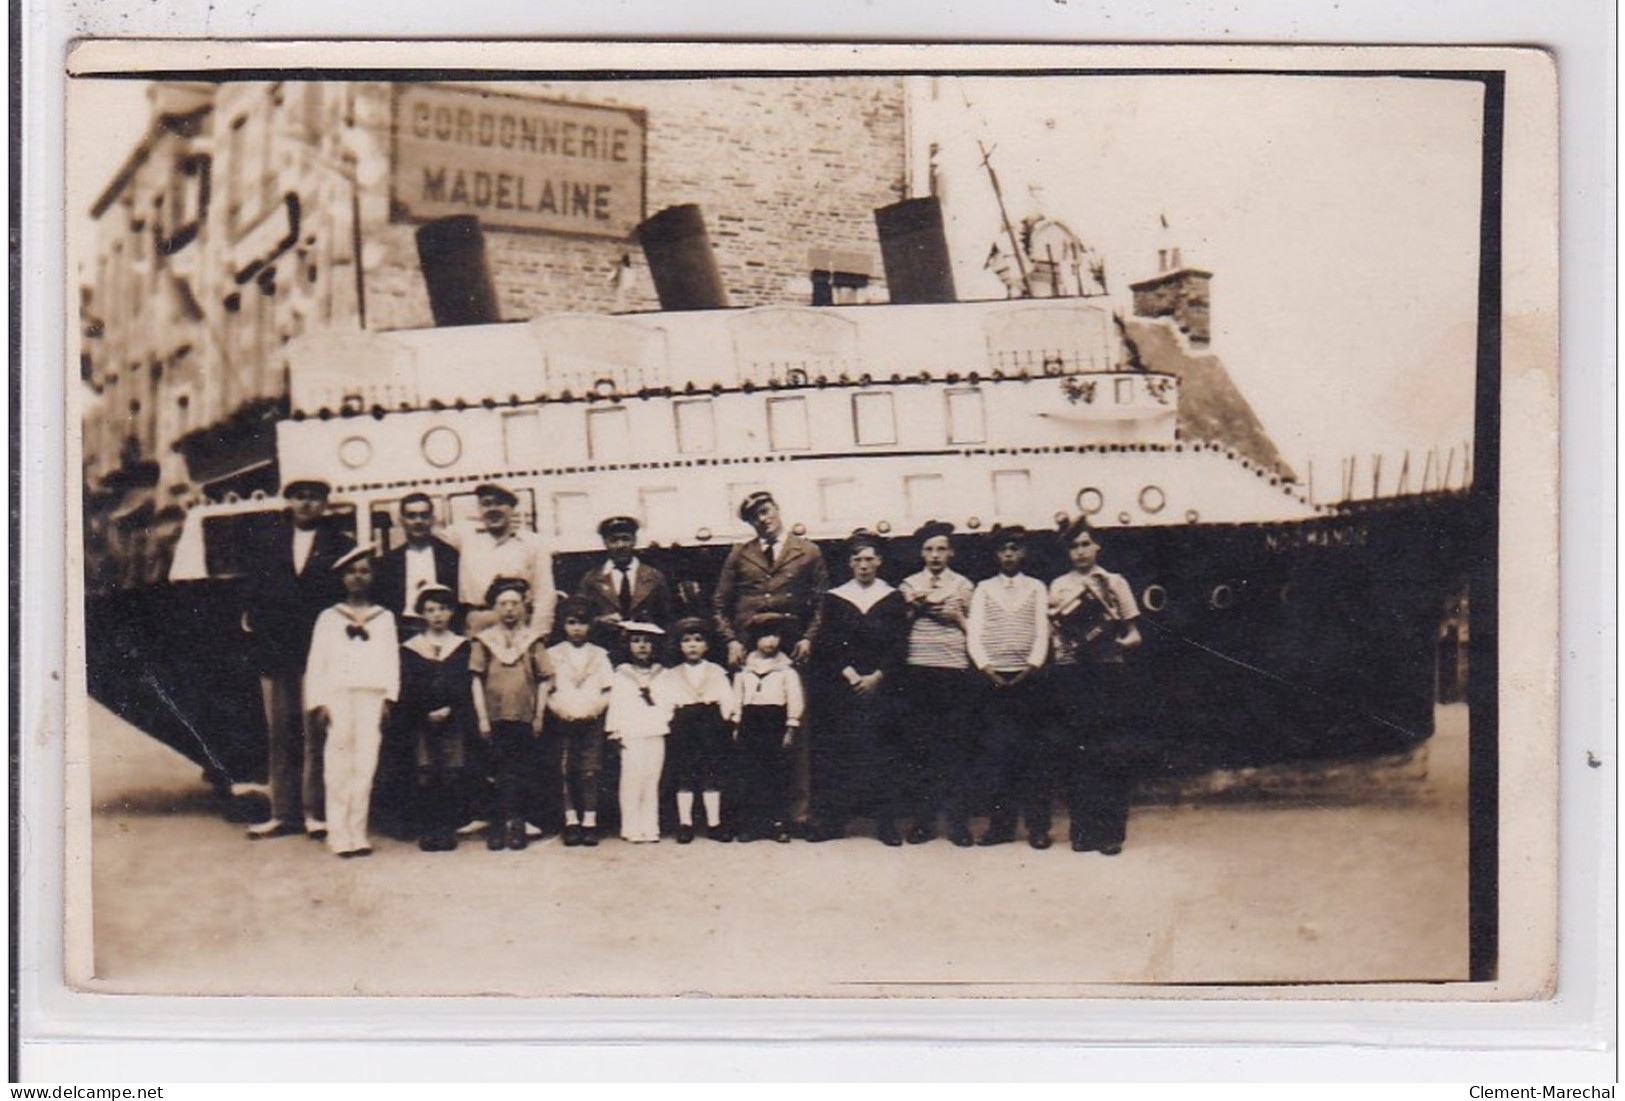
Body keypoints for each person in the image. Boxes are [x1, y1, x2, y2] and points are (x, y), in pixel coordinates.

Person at [241, 476, 355, 841]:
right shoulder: (266, 542)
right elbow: (253, 593)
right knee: (279, 733)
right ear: (288, 501)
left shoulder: (340, 545)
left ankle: (315, 813)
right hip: (276, 652)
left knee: (315, 733)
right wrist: (259, 627)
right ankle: (282, 813)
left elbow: (345, 600)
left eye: (315, 498)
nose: (307, 504)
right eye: (300, 497)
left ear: (325, 504)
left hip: (319, 653)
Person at [711, 491, 828, 836]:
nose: (763, 519)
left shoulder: (807, 551)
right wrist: (731, 640)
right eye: (754, 517)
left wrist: (808, 638)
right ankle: (751, 814)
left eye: (766, 511)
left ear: (777, 509)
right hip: (750, 651)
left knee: (795, 732)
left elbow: (822, 603)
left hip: (791, 649)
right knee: (747, 737)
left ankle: (798, 814)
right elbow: (720, 603)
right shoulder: (739, 554)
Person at [807, 534, 911, 845]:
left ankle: (887, 824)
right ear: (849, 563)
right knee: (842, 753)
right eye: (857, 560)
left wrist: (878, 676)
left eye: (869, 559)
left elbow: (899, 643)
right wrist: (850, 674)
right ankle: (834, 822)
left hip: (882, 686)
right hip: (845, 687)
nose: (864, 566)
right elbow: (827, 642)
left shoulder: (892, 597)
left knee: (884, 753)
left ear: (879, 561)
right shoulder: (837, 598)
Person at [1048, 519, 1143, 855]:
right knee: (1078, 751)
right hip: (1073, 673)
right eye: (1074, 546)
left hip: (1107, 672)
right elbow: (1054, 634)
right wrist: (1070, 644)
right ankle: (1083, 831)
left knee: (1111, 752)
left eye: (1086, 544)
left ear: (1097, 547)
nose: (1080, 552)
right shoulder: (1058, 586)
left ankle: (1111, 833)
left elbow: (1134, 634)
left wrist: (1110, 642)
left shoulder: (1115, 582)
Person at [302, 546, 399, 858]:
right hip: (338, 695)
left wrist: (388, 697)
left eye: (364, 571)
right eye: (351, 572)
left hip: (371, 694)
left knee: (365, 762)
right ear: (342, 578)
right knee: (337, 761)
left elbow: (391, 660)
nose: (358, 577)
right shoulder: (328, 618)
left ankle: (358, 832)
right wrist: (319, 701)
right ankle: (338, 831)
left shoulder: (384, 618)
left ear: (372, 577)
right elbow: (317, 662)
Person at [965, 525, 1052, 848]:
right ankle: (1001, 827)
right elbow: (974, 633)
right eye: (1003, 549)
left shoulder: (1037, 588)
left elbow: (1042, 631)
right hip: (993, 682)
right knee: (997, 756)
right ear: (995, 555)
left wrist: (1031, 667)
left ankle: (1038, 827)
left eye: (1014, 549)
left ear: (1023, 553)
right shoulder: (984, 589)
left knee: (1033, 756)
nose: (1009, 555)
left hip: (1028, 680)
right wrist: (987, 668)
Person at [897, 521, 978, 846]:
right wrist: (914, 607)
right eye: (929, 549)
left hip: (953, 669)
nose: (935, 555)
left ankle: (958, 823)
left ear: (951, 552)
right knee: (922, 749)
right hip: (919, 669)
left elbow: (977, 630)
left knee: (955, 748)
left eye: (941, 549)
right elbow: (898, 626)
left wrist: (954, 618)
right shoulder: (908, 584)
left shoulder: (964, 585)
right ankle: (924, 821)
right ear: (921, 553)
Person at [469, 577, 554, 852]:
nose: (509, 609)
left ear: (524, 606)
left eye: (515, 603)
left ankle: (516, 824)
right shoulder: (484, 641)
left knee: (520, 770)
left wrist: (539, 714)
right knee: (494, 771)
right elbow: (476, 679)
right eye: (503, 603)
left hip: (523, 716)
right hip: (494, 717)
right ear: (494, 607)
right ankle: (496, 824)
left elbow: (544, 678)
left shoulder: (532, 640)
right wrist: (482, 717)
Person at [392, 585, 475, 852]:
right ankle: (428, 828)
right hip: (421, 719)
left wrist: (450, 708)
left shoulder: (461, 646)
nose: (437, 615)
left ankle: (447, 828)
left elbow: (465, 684)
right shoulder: (411, 649)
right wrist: (423, 711)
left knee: (451, 771)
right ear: (421, 615)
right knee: (425, 771)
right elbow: (408, 686)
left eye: (442, 609)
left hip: (452, 717)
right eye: (430, 610)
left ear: (451, 612)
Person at [729, 613, 805, 844]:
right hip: (751, 723)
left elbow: (795, 700)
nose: (770, 642)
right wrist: (736, 724)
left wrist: (790, 727)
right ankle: (752, 824)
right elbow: (737, 698)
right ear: (755, 639)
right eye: (764, 636)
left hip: (775, 723)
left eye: (775, 636)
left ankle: (777, 823)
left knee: (777, 774)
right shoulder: (745, 670)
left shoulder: (786, 671)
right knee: (751, 773)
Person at [660, 617, 736, 843]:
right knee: (685, 775)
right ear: (679, 646)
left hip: (710, 725)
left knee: (710, 774)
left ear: (707, 645)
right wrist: (669, 722)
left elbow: (727, 699)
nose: (692, 645)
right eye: (686, 640)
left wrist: (725, 721)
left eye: (698, 640)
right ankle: (686, 824)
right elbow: (666, 702)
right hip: (683, 724)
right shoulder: (671, 674)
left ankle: (714, 824)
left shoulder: (717, 671)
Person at [546, 596, 614, 847]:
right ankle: (570, 821)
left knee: (589, 771)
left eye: (583, 623)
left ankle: (589, 822)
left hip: (591, 719)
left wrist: (595, 709)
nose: (577, 629)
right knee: (565, 770)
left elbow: (608, 689)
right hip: (563, 718)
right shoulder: (553, 654)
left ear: (591, 626)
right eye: (571, 622)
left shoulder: (599, 655)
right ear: (563, 625)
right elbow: (548, 690)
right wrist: (558, 710)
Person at [455, 483, 556, 636]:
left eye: (500, 503)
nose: (492, 509)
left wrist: (538, 635)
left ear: (511, 508)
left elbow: (545, 593)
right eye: (486, 504)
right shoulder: (466, 539)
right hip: (479, 624)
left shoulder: (533, 544)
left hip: (519, 624)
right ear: (479, 509)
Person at [604, 623, 674, 844]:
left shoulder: (663, 674)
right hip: (631, 731)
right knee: (632, 778)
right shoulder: (622, 674)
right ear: (627, 645)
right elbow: (616, 703)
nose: (642, 646)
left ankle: (650, 826)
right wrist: (615, 730)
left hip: (654, 730)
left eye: (647, 641)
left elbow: (668, 702)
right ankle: (631, 826)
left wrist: (662, 718)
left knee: (652, 778)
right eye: (636, 641)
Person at [576, 516, 675, 652]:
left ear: (634, 540)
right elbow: (580, 618)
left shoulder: (654, 577)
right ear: (605, 543)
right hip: (607, 649)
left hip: (645, 651)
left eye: (625, 538)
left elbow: (667, 618)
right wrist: (600, 620)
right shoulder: (592, 579)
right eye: (614, 540)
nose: (620, 545)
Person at [376, 493, 462, 636]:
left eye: (424, 515)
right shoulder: (389, 561)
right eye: (411, 516)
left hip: (443, 630)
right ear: (401, 520)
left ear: (432, 519)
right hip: (404, 631)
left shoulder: (449, 555)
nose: (418, 521)